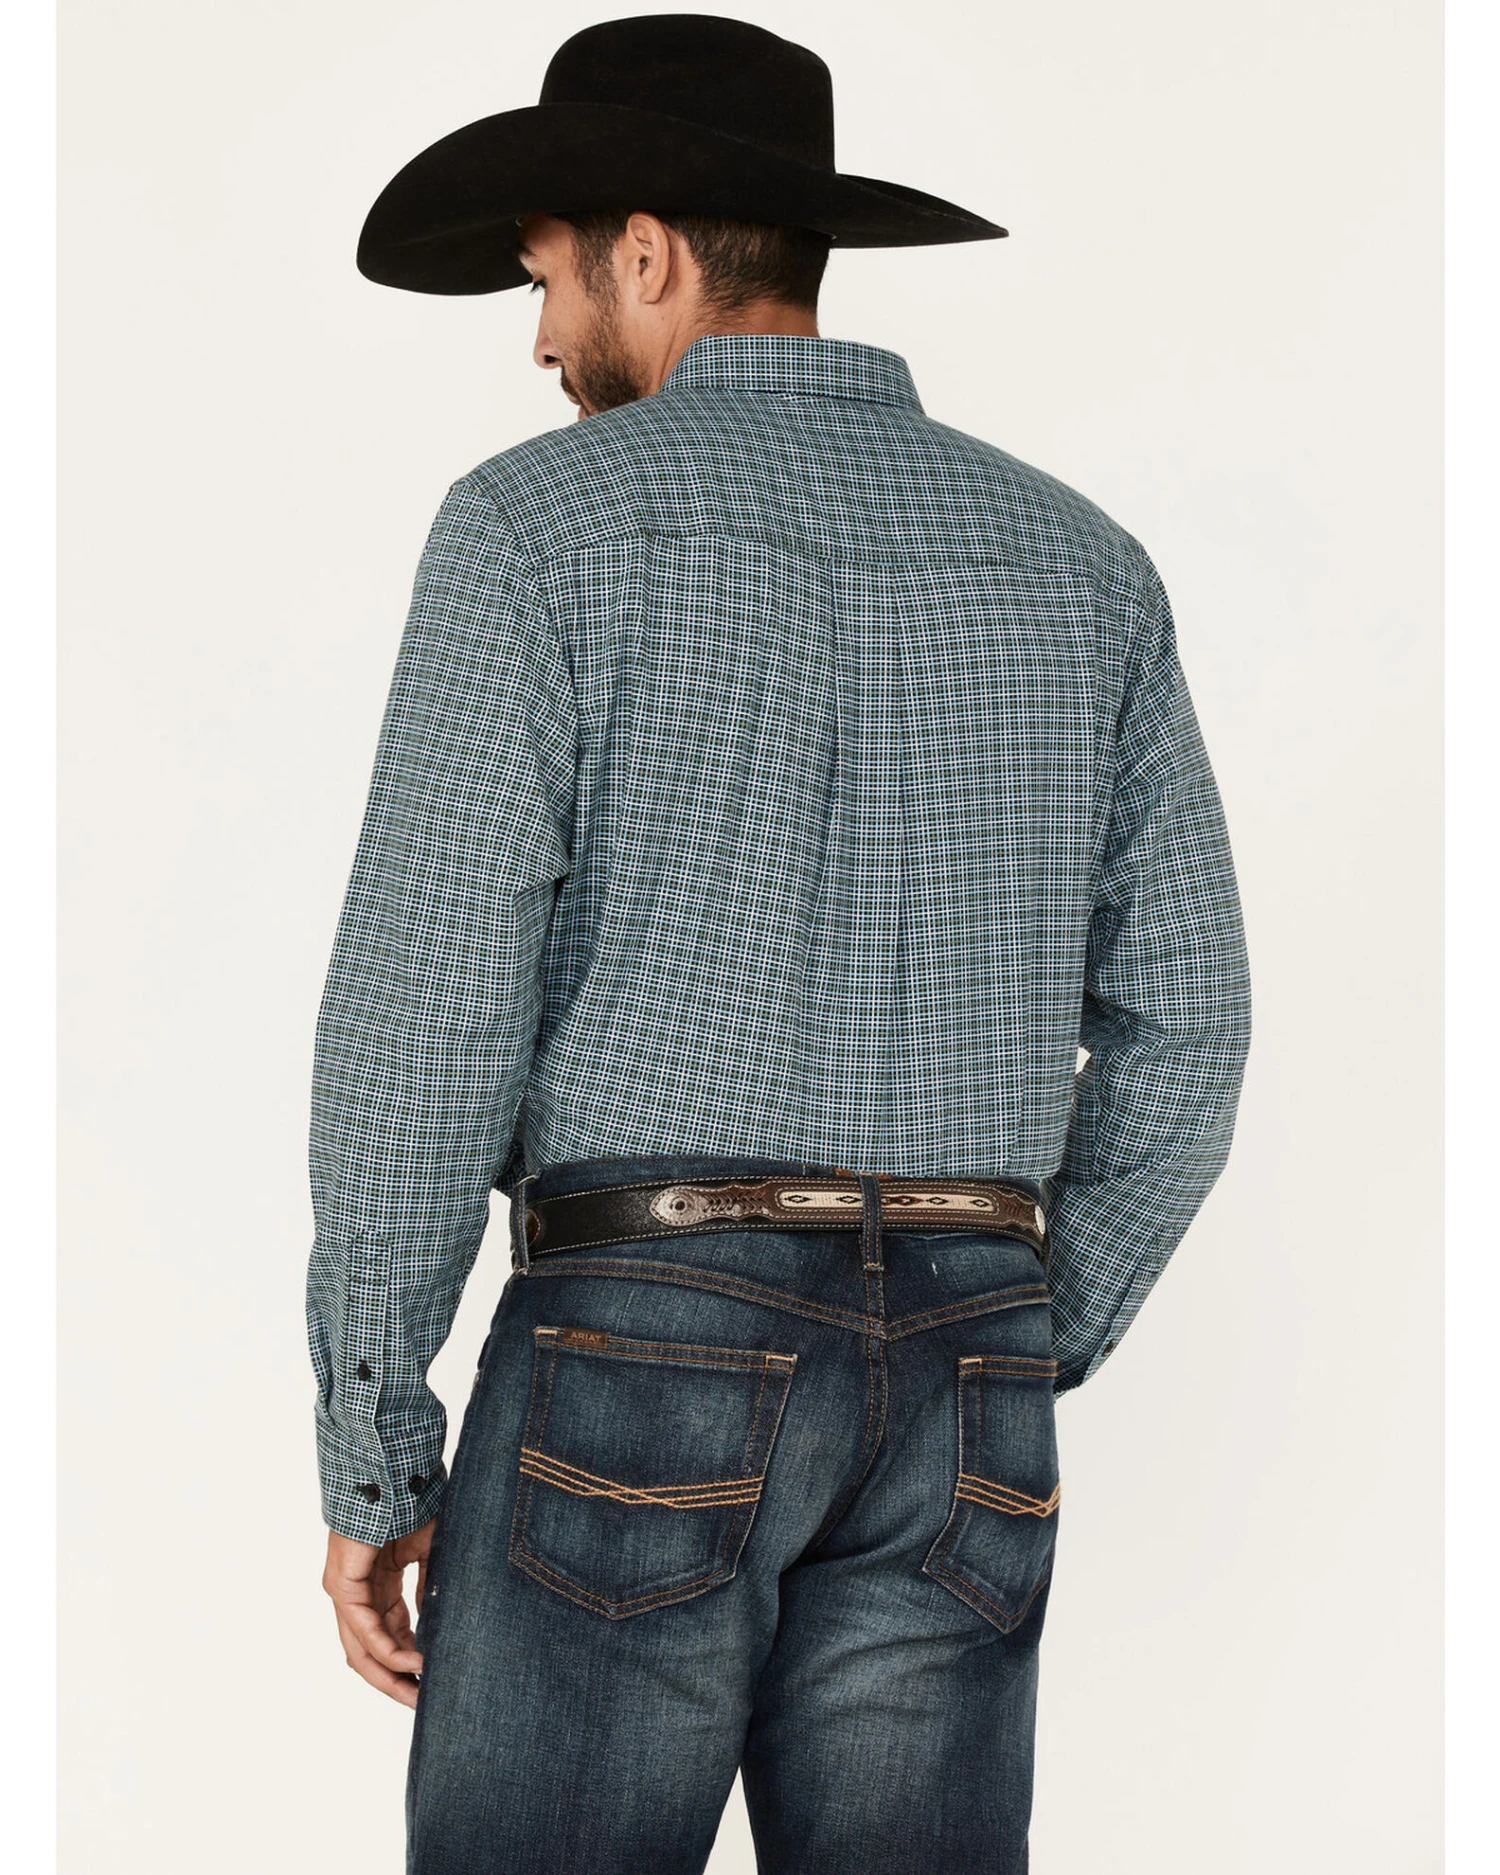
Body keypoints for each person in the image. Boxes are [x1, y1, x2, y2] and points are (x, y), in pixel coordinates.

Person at [306, 14, 1252, 1873]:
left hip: (638, 1347)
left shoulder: (536, 529)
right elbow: (1191, 1021)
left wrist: (374, 1446)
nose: (540, 337)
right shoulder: (1082, 564)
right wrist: (1019, 1328)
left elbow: (429, 1014)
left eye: (545, 276)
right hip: (966, 1362)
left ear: (647, 253)